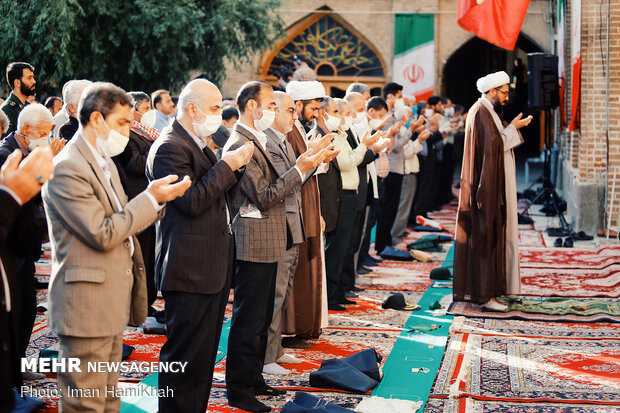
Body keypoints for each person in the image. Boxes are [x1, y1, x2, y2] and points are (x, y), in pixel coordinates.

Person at [42, 82, 191, 413]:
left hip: (107, 299)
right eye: (123, 123)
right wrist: (152, 198)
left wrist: (155, 198)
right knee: (86, 403)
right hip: (84, 304)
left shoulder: (102, 161)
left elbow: (123, 218)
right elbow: (103, 232)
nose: (129, 130)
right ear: (97, 119)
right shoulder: (69, 166)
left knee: (108, 400)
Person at [146, 78, 253, 413]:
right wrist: (227, 165)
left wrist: (236, 168)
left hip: (210, 263)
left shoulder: (198, 141)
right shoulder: (170, 146)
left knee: (203, 355)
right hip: (189, 264)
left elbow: (219, 198)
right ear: (191, 109)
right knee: (184, 355)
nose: (218, 115)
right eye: (212, 108)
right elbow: (190, 201)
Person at [224, 81, 327, 412]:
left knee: (260, 317)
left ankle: (253, 378)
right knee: (247, 320)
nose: (276, 110)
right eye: (271, 104)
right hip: (253, 243)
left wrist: (305, 164)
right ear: (252, 107)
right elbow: (265, 195)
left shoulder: (257, 138)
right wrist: (303, 168)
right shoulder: (241, 141)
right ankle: (239, 391)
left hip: (268, 240)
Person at [453, 71, 532, 310]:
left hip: (494, 185)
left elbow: (496, 141)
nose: (507, 97)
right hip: (485, 189)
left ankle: (493, 292)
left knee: (492, 238)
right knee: (484, 238)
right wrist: (514, 128)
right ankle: (484, 297)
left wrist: (511, 128)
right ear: (492, 91)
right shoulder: (481, 112)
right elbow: (492, 147)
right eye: (504, 92)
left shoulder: (489, 112)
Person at [0, 104, 66, 381]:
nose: (48, 139)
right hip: (10, 246)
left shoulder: (33, 152)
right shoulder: (7, 154)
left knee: (26, 308)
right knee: (14, 312)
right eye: (43, 133)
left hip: (24, 246)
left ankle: (17, 365)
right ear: (26, 130)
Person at [263, 91, 320, 375]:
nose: (293, 116)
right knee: (273, 295)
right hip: (276, 225)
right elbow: (281, 182)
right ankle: (265, 357)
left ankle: (276, 350)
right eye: (288, 111)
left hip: (291, 223)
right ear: (271, 111)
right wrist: (306, 164)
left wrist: (312, 162)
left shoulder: (283, 139)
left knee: (283, 292)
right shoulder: (267, 141)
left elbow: (295, 180)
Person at [0, 147, 54, 413]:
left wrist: (30, 191)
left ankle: (15, 389)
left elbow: (24, 232)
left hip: (14, 263)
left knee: (22, 314)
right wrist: (11, 196)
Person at [280, 80, 334, 347]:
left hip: (310, 204)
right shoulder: (289, 130)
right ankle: (291, 330)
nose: (316, 113)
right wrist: (316, 158)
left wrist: (319, 158)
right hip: (295, 210)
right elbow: (294, 173)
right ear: (298, 105)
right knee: (296, 270)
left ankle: (303, 327)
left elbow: (306, 168)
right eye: (313, 107)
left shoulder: (300, 128)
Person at [115, 91, 160, 315]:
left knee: (149, 253)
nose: (149, 113)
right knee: (138, 253)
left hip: (150, 200)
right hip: (135, 197)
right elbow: (134, 164)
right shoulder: (129, 134)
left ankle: (146, 301)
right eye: (145, 109)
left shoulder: (149, 133)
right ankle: (135, 303)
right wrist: (157, 151)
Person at [1, 62, 36, 137]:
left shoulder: (29, 107)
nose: (34, 81)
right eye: (29, 78)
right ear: (17, 82)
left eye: (33, 77)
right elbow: (6, 145)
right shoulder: (7, 110)